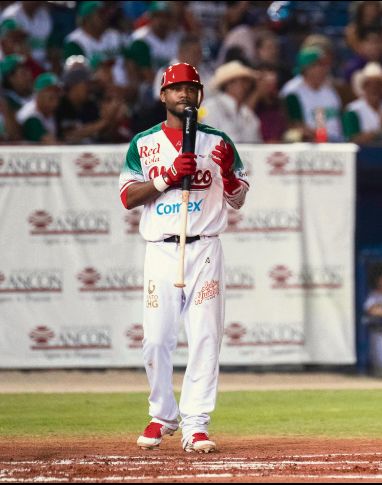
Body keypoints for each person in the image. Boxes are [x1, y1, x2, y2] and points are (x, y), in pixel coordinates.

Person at [120, 62, 249, 453]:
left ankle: (196, 423)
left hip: (205, 246)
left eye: (191, 88)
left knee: (206, 336)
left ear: (200, 95)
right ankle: (163, 415)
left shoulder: (219, 141)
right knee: (156, 339)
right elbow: (127, 197)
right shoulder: (144, 143)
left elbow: (239, 198)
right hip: (161, 247)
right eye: (176, 88)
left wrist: (228, 176)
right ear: (163, 96)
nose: (184, 94)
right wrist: (167, 177)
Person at [280, 46, 343, 142]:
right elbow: (295, 125)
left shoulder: (329, 90)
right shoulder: (293, 91)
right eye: (320, 65)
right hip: (307, 145)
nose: (325, 69)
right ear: (307, 68)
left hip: (336, 142)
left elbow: (326, 118)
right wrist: (323, 138)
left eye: (325, 65)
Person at [56, 61, 123, 144]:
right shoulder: (60, 105)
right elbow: (70, 135)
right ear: (74, 86)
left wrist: (112, 118)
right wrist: (104, 121)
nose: (90, 87)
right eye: (86, 84)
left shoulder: (90, 104)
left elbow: (103, 135)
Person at [201, 61, 262, 143]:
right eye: (238, 81)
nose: (243, 86)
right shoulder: (211, 108)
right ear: (227, 84)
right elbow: (206, 140)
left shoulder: (248, 114)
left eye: (245, 81)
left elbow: (256, 144)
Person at [342, 62, 382, 144]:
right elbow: (352, 140)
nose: (374, 88)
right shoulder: (353, 111)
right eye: (369, 85)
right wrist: (378, 131)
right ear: (363, 87)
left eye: (378, 84)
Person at [1, 1, 51, 67]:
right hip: (17, 65)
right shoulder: (10, 15)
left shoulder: (44, 14)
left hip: (42, 63)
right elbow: (5, 45)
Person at [17, 71, 61, 143]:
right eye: (50, 91)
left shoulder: (48, 111)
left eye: (56, 92)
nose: (55, 95)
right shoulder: (31, 116)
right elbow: (50, 142)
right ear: (38, 94)